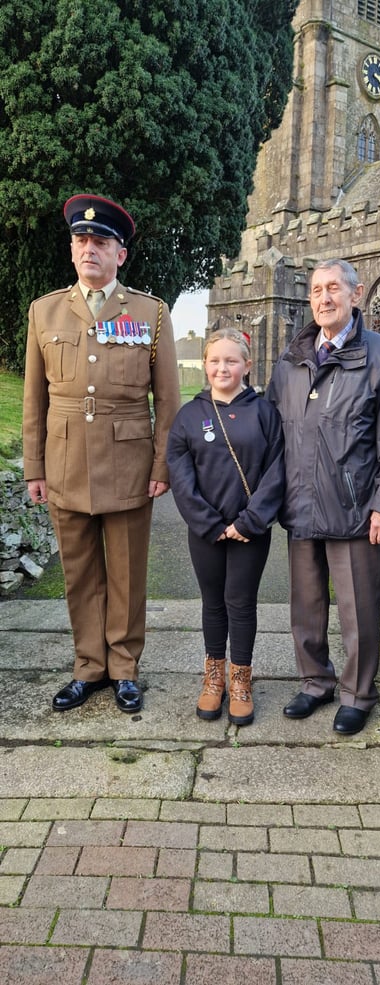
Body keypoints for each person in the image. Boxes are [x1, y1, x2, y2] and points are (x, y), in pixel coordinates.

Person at [22, 194, 180, 713]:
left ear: (121, 255)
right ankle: (89, 666)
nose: (90, 249)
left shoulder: (150, 313)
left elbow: (168, 399)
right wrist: (34, 468)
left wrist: (162, 466)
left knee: (127, 572)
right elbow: (33, 399)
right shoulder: (43, 311)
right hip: (65, 461)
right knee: (79, 571)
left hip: (129, 464)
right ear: (72, 250)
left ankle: (125, 666)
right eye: (82, 240)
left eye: (102, 242)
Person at [267, 258, 380, 735]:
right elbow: (272, 433)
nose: (324, 298)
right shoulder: (291, 360)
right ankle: (315, 683)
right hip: (301, 504)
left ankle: (357, 693)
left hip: (355, 509)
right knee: (305, 607)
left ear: (356, 294)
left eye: (334, 288)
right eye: (316, 290)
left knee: (358, 610)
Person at [167, 328, 284, 726]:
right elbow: (181, 477)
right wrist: (211, 523)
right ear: (205, 364)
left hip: (251, 530)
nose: (223, 368)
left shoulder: (265, 414)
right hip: (207, 532)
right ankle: (213, 678)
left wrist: (249, 521)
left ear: (247, 366)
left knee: (241, 602)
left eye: (232, 361)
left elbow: (276, 471)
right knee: (213, 603)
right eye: (215, 360)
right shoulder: (190, 416)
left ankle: (241, 679)